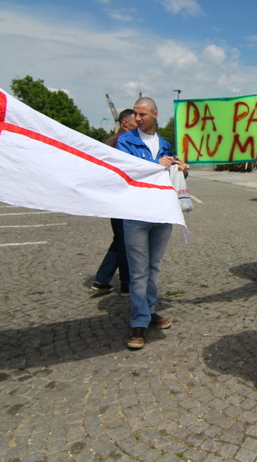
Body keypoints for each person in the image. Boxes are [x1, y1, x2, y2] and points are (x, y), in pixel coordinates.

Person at [116, 98, 188, 350]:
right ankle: (138, 323)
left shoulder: (166, 144)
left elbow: (169, 177)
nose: (138, 118)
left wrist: (182, 170)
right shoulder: (126, 140)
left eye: (142, 114)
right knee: (138, 272)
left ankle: (149, 311)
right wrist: (154, 165)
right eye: (136, 114)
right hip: (136, 213)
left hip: (162, 213)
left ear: (155, 114)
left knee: (153, 268)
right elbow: (124, 171)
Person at [91, 109, 136, 295]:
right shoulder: (120, 142)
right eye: (135, 120)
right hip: (120, 199)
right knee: (125, 241)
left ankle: (103, 280)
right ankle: (125, 284)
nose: (138, 123)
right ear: (125, 123)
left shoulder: (111, 140)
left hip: (114, 198)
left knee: (121, 240)